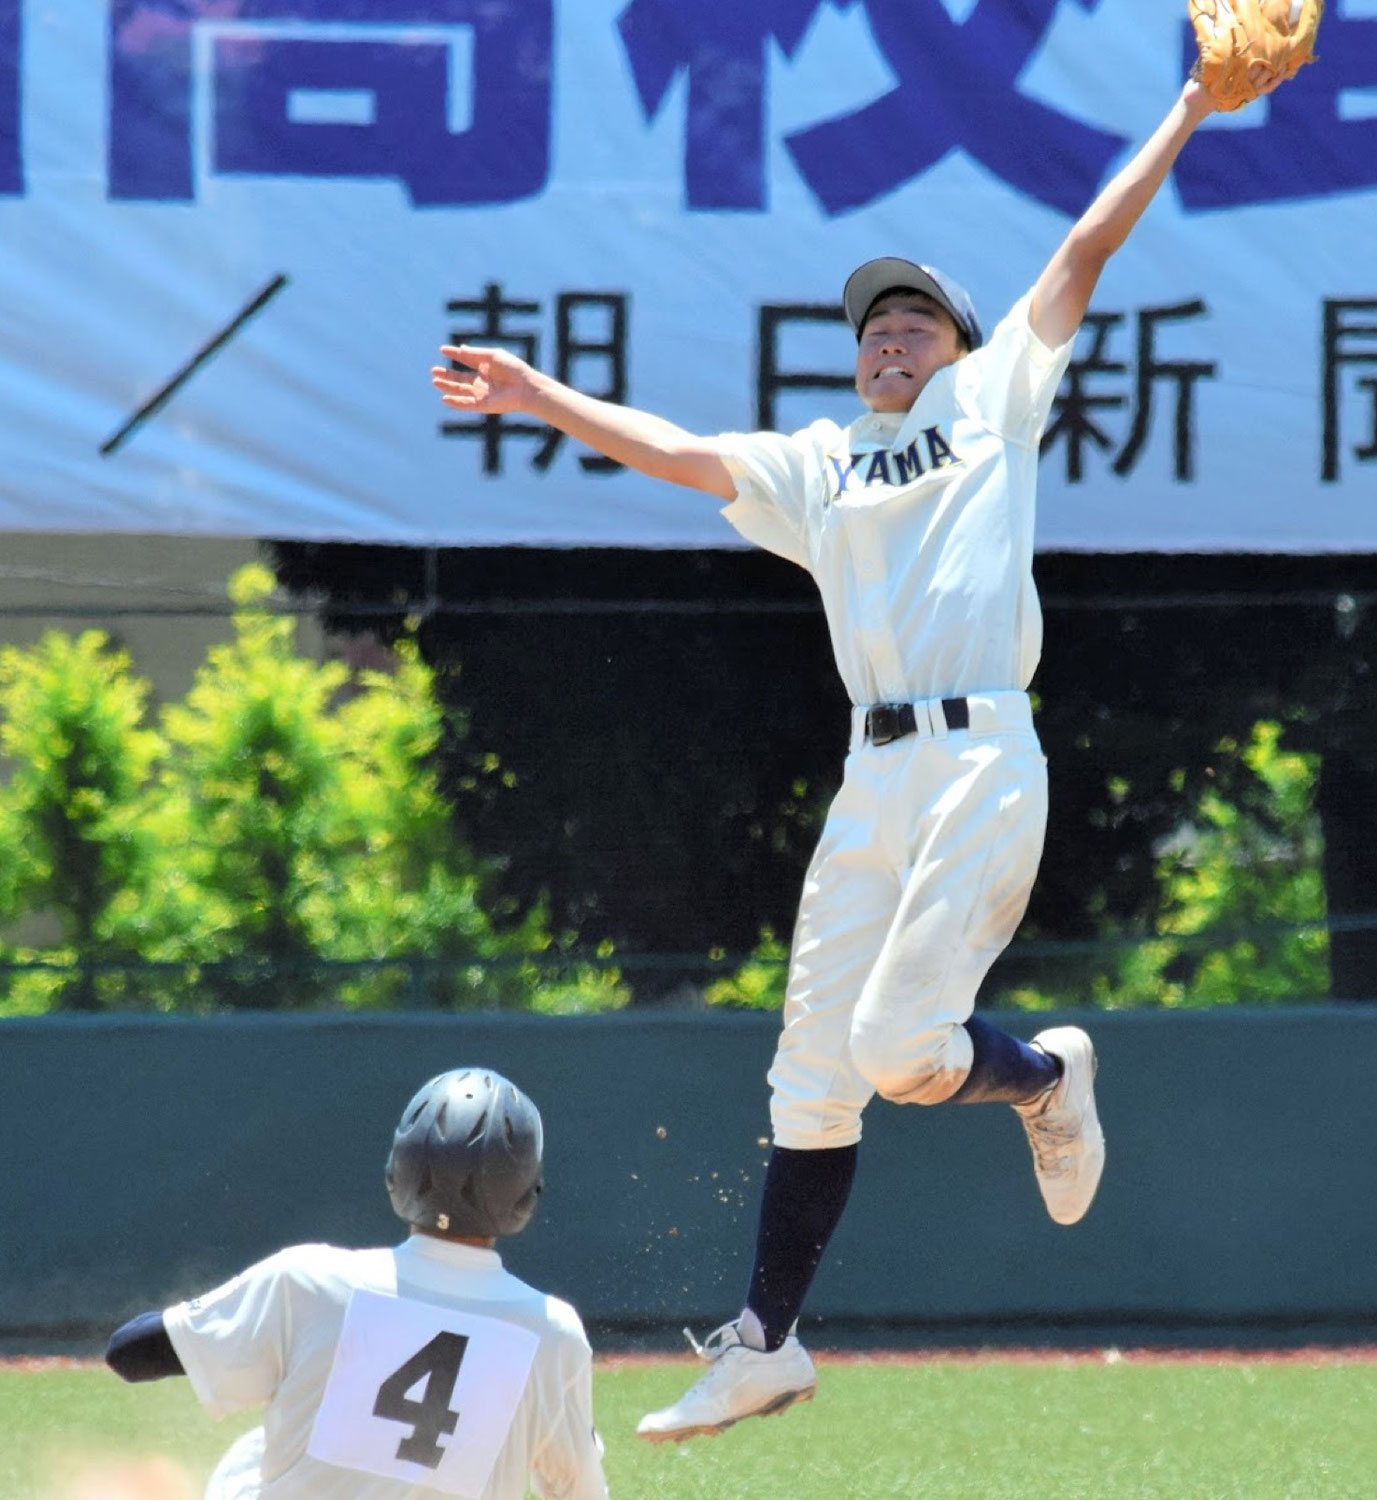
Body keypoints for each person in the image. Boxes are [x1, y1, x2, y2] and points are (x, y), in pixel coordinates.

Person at [432, 75, 1223, 1444]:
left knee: (900, 1049)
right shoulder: (820, 465)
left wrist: (1197, 104)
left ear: (962, 344)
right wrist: (538, 393)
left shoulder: (990, 405)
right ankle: (766, 1341)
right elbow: (677, 452)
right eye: (871, 325)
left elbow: (1084, 249)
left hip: (981, 753)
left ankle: (1041, 1077)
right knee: (810, 1076)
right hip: (875, 780)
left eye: (912, 318)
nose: (887, 337)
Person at [105, 1068, 609, 1499]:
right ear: (526, 1193)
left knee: (253, 1451)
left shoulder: (311, 1280)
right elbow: (580, 1492)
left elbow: (130, 1353)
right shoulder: (552, 1332)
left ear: (400, 1172)